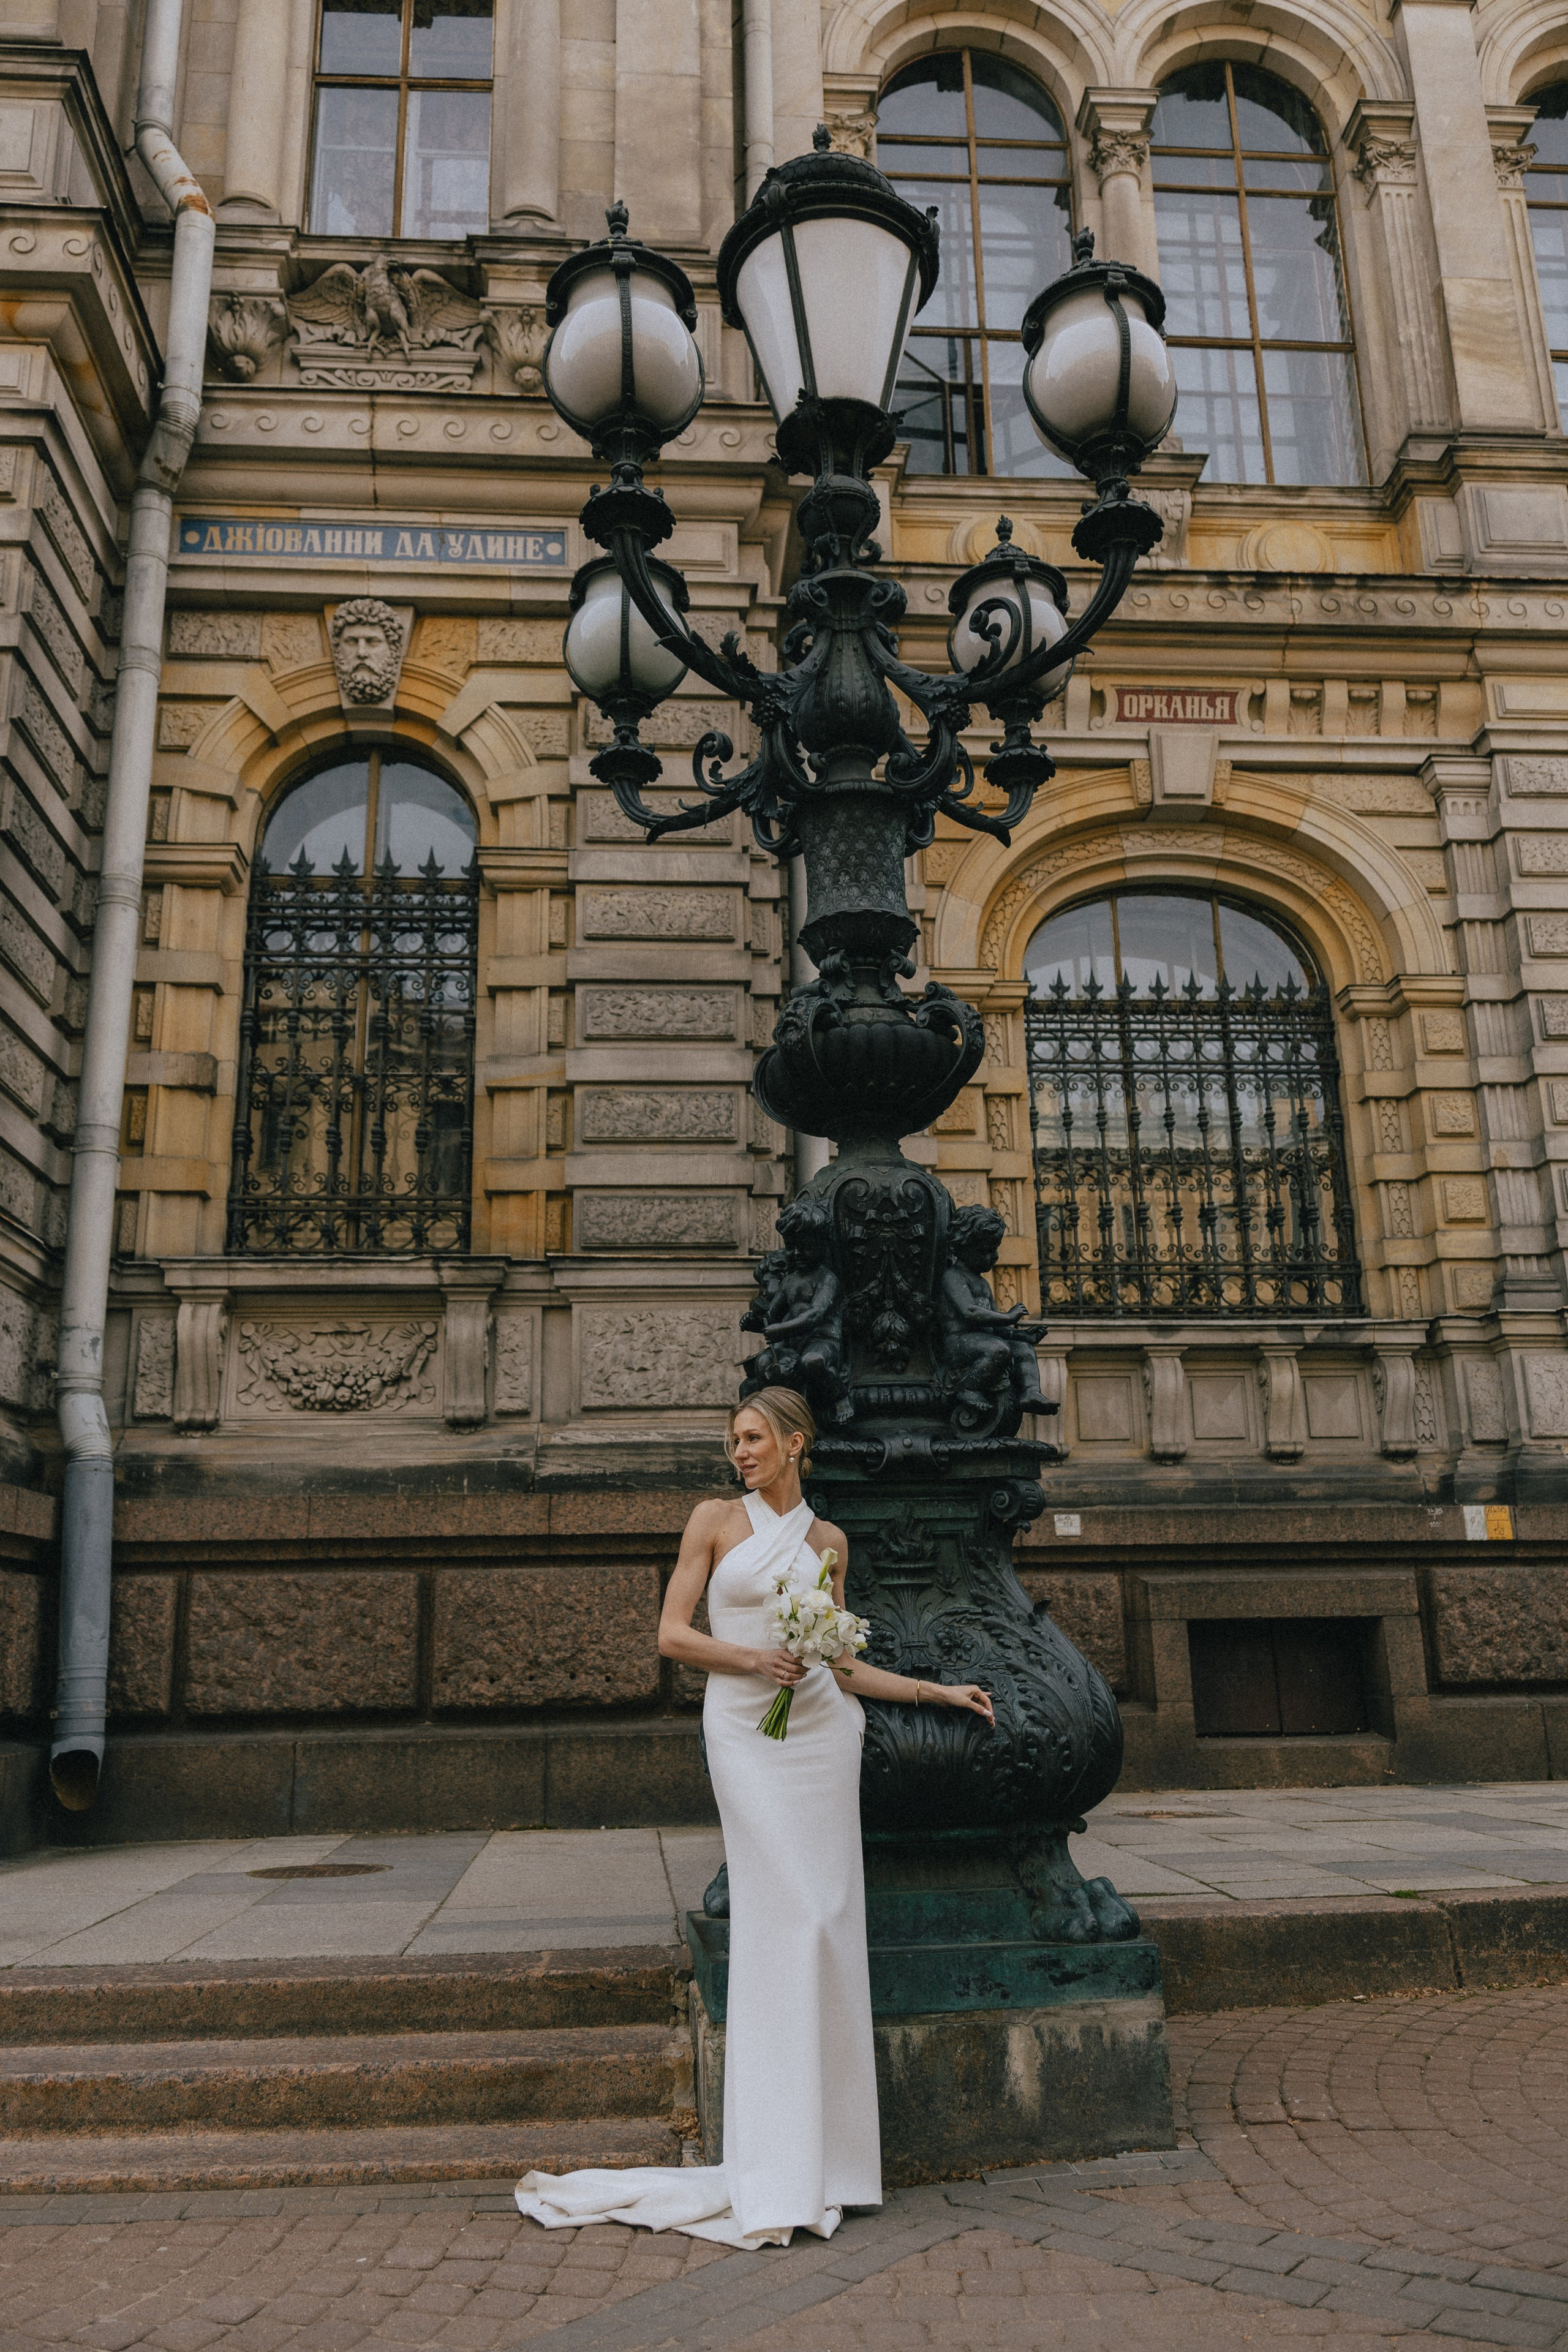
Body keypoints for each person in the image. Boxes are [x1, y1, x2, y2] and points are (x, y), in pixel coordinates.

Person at [515, 1385, 994, 2250]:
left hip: (821, 1735)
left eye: (753, 1438)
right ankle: (773, 2161)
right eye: (734, 1440)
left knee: (830, 1924)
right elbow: (671, 1633)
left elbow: (843, 1666)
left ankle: (835, 2163)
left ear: (795, 1444)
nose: (740, 1452)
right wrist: (752, 1658)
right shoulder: (712, 1521)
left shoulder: (829, 1542)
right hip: (744, 1731)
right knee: (790, 1921)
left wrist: (934, 1692)